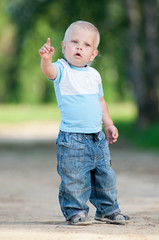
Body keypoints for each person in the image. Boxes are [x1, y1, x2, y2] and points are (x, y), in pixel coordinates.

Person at [39, 20, 130, 226]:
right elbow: (49, 72)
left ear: (93, 54)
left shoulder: (94, 75)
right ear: (64, 47)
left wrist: (108, 124)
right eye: (74, 41)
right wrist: (46, 60)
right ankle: (76, 211)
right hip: (72, 139)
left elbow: (101, 102)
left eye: (87, 45)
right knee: (75, 178)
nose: (80, 47)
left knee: (105, 176)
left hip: (97, 137)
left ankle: (108, 210)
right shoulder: (62, 69)